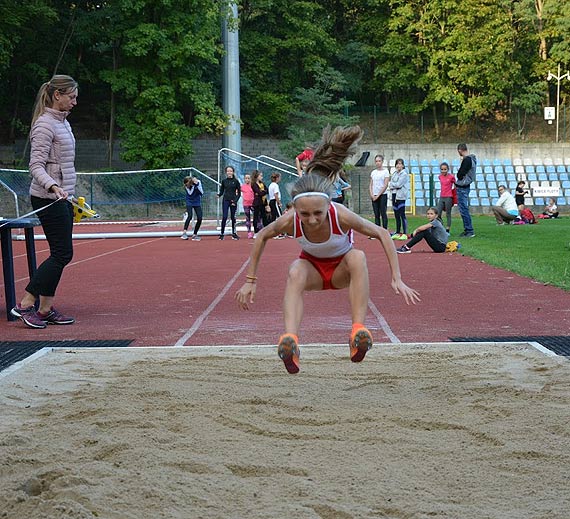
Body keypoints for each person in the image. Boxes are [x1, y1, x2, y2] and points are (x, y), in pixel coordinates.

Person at [235, 126, 420, 374]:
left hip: (342, 270)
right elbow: (262, 236)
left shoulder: (339, 214)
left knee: (357, 256)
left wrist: (396, 278)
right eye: (305, 214)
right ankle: (291, 341)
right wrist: (250, 280)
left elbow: (382, 233)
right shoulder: (290, 219)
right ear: (295, 210)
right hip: (311, 270)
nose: (311, 220)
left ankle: (357, 333)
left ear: (328, 205)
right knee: (294, 270)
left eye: (317, 213)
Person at [10, 75, 79, 329]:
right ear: (56, 95)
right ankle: (26, 304)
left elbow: (64, 164)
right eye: (71, 97)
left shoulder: (63, 123)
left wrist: (68, 192)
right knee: (62, 253)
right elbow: (35, 166)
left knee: (60, 253)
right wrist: (53, 186)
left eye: (76, 97)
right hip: (46, 197)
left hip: (62, 196)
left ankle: (46, 308)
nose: (74, 102)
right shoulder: (44, 125)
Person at [455, 143, 477, 237]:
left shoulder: (467, 159)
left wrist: (459, 174)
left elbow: (461, 173)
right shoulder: (472, 159)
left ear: (460, 150)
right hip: (465, 185)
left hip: (463, 186)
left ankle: (469, 230)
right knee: (463, 208)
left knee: (463, 209)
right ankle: (467, 229)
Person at [217, 165, 241, 240]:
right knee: (224, 217)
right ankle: (222, 233)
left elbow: (239, 193)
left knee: (233, 217)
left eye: (230, 171)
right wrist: (219, 195)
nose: (229, 172)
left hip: (233, 201)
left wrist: (235, 201)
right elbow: (222, 191)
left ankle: (234, 233)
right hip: (226, 200)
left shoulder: (236, 181)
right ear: (226, 172)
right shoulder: (224, 181)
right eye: (228, 171)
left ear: (233, 172)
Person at [389, 158, 409, 240]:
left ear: (403, 165)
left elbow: (398, 185)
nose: (398, 165)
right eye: (397, 164)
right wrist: (393, 185)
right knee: (396, 214)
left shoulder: (404, 174)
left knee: (402, 214)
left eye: (400, 164)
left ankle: (405, 232)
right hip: (394, 195)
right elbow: (390, 184)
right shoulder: (394, 174)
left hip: (401, 196)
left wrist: (393, 185)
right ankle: (397, 231)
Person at [369, 154, 389, 231]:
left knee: (383, 213)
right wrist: (371, 194)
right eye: (376, 161)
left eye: (379, 161)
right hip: (374, 195)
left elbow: (385, 185)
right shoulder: (373, 172)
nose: (378, 163)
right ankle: (377, 231)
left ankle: (384, 231)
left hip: (382, 195)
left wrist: (378, 195)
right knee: (376, 214)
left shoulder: (385, 171)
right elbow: (371, 184)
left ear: (382, 162)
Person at [181, 175, 203, 241]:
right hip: (189, 201)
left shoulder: (198, 182)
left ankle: (195, 234)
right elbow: (190, 193)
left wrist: (196, 185)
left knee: (200, 218)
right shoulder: (186, 187)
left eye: (188, 184)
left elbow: (201, 193)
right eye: (186, 184)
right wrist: (192, 187)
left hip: (197, 201)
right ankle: (184, 233)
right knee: (189, 216)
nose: (187, 186)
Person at [436, 162, 456, 233]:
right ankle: (440, 227)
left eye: (445, 169)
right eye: (442, 169)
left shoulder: (451, 177)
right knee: (438, 213)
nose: (443, 171)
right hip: (442, 196)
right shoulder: (440, 176)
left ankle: (447, 229)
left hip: (449, 197)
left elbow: (455, 185)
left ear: (448, 169)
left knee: (448, 213)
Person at [251, 169, 269, 234]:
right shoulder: (254, 184)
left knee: (264, 216)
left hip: (263, 202)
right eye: (260, 176)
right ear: (257, 176)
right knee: (256, 217)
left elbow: (267, 190)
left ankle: (266, 231)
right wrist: (262, 192)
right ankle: (256, 231)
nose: (262, 177)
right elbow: (259, 192)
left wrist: (263, 192)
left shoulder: (262, 183)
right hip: (257, 203)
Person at [241, 173, 255, 238]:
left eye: (248, 178)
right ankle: (249, 232)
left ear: (251, 179)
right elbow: (237, 192)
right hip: (246, 204)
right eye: (246, 178)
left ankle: (256, 231)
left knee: (257, 217)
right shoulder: (242, 187)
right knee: (248, 218)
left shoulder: (253, 186)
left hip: (253, 204)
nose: (247, 180)